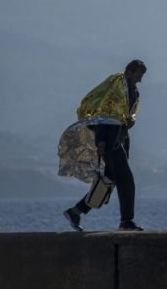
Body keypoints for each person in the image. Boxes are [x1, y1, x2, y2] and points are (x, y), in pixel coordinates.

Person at [61, 59, 146, 232]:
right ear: (130, 71)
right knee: (127, 182)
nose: (140, 79)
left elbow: (122, 117)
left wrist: (129, 123)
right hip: (110, 142)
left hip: (117, 140)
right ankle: (126, 221)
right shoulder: (117, 87)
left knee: (107, 181)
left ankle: (76, 211)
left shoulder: (132, 90)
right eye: (139, 75)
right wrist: (101, 141)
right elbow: (104, 114)